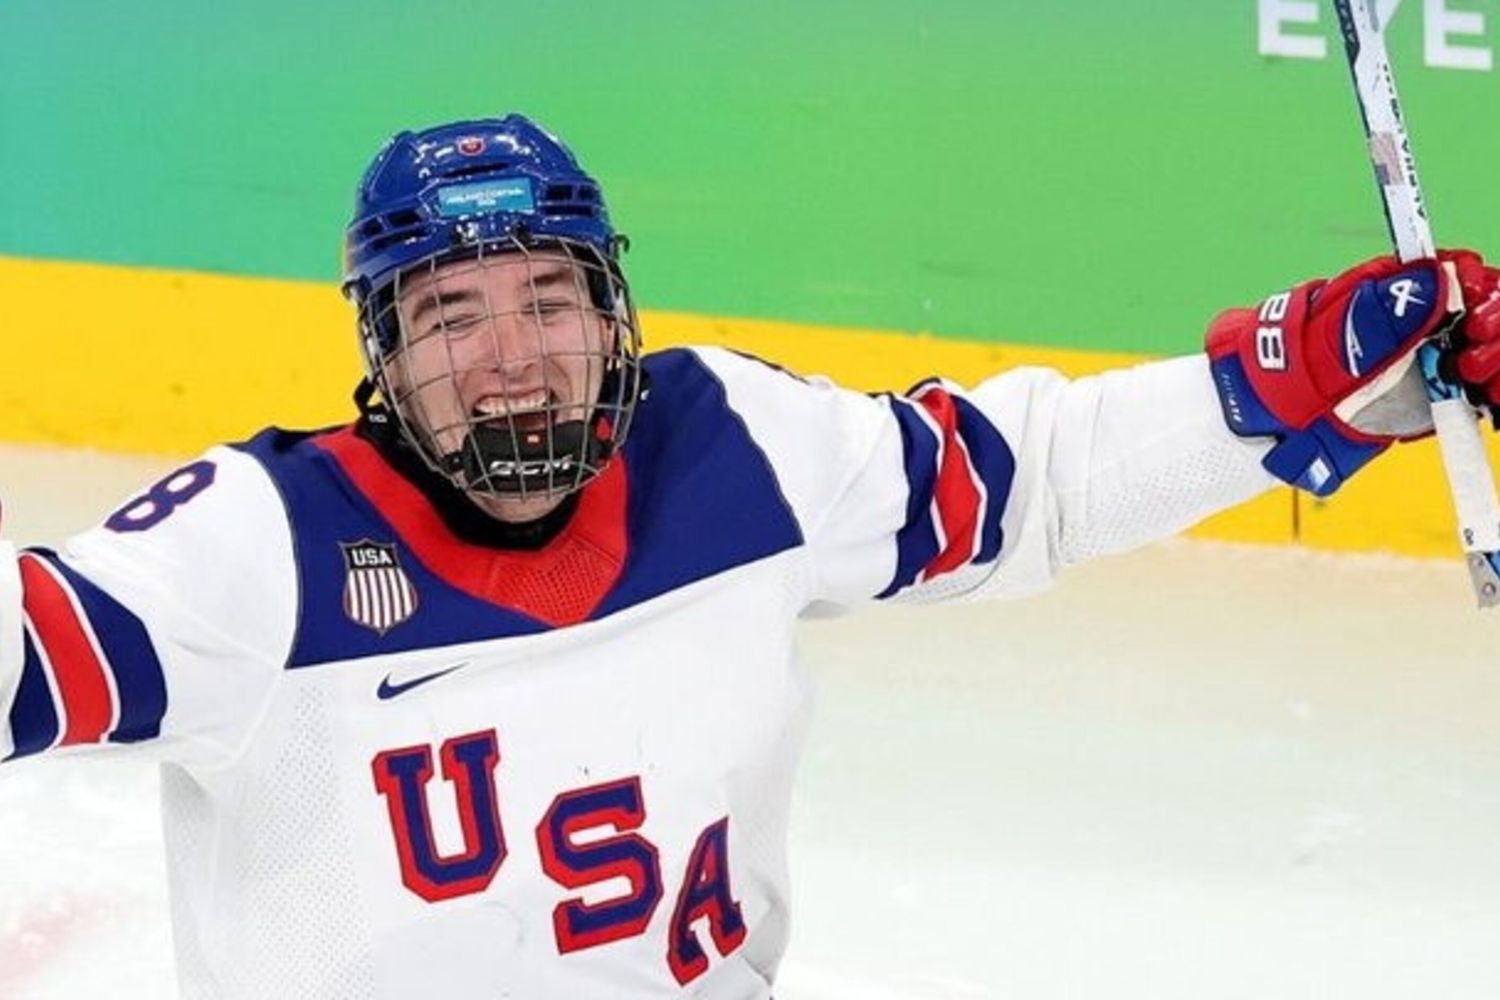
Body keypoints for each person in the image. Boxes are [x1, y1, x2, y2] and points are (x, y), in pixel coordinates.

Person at [3, 113, 1500, 1000]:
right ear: (383, 353)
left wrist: (1295, 381)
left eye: (548, 300)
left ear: (613, 313)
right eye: (453, 316)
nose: (512, 356)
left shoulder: (731, 448)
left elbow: (1027, 478)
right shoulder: (258, 546)